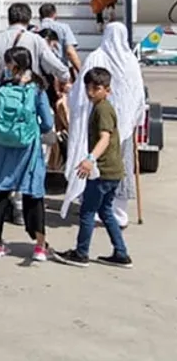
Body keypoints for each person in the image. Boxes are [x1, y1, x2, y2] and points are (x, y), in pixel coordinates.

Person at [62, 22, 145, 229]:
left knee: (95, 159)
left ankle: (95, 207)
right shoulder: (131, 61)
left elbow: (81, 91)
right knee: (120, 165)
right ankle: (118, 212)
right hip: (121, 127)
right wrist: (135, 118)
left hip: (98, 119)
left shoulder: (96, 57)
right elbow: (138, 94)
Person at [51, 67, 133, 268]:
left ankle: (81, 252)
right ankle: (121, 253)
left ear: (107, 90)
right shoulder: (100, 107)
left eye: (96, 88)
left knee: (88, 211)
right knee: (105, 211)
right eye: (88, 87)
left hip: (103, 171)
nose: (90, 92)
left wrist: (90, 159)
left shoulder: (102, 109)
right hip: (113, 171)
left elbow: (105, 138)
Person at [0, 47, 54, 261]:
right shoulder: (37, 88)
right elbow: (48, 123)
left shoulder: (0, 88)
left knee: (0, 192)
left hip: (1, 148)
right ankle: (39, 246)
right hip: (28, 149)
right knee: (33, 193)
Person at [39, 3, 81, 74]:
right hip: (61, 70)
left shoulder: (35, 30)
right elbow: (70, 52)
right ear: (55, 14)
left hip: (42, 72)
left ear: (40, 16)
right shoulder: (63, 28)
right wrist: (80, 71)